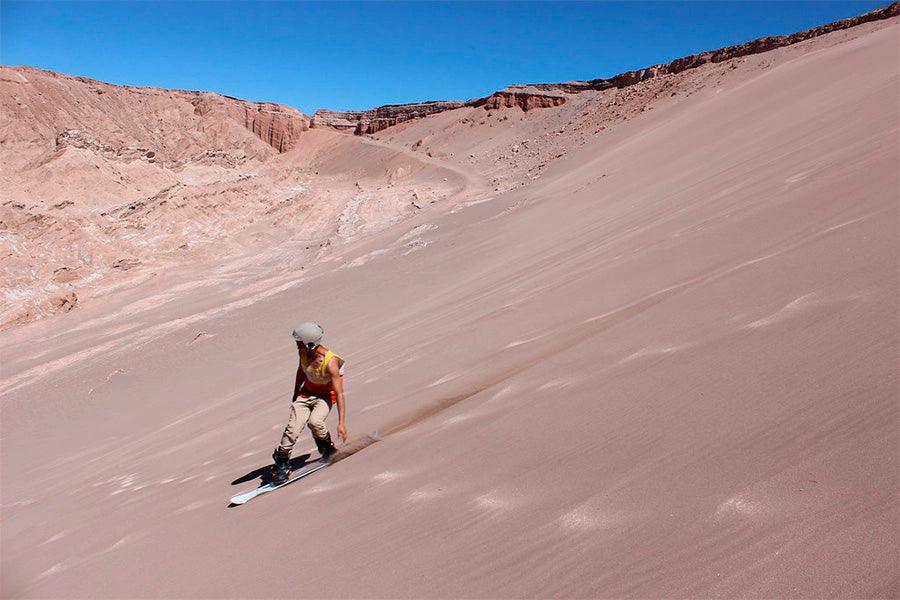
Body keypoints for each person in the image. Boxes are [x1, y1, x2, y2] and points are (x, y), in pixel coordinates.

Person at [271, 321, 347, 483]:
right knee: (293, 428)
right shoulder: (304, 353)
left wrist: (341, 423)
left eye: (299, 344)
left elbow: (340, 394)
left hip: (325, 397)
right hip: (305, 394)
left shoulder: (331, 363)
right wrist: (296, 392)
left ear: (310, 344)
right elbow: (301, 371)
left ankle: (327, 447)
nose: (297, 347)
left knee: (315, 422)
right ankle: (282, 463)